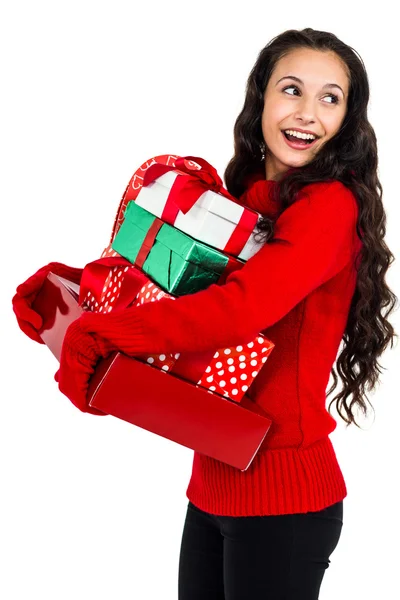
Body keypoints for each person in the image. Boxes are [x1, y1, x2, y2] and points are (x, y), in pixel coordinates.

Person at [12, 27, 398, 600]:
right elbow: (169, 290)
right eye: (292, 90)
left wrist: (108, 333)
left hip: (286, 501)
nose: (308, 113)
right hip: (214, 481)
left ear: (348, 119)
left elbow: (239, 309)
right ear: (261, 98)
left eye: (330, 98)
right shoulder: (241, 196)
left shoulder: (329, 208)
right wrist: (71, 291)